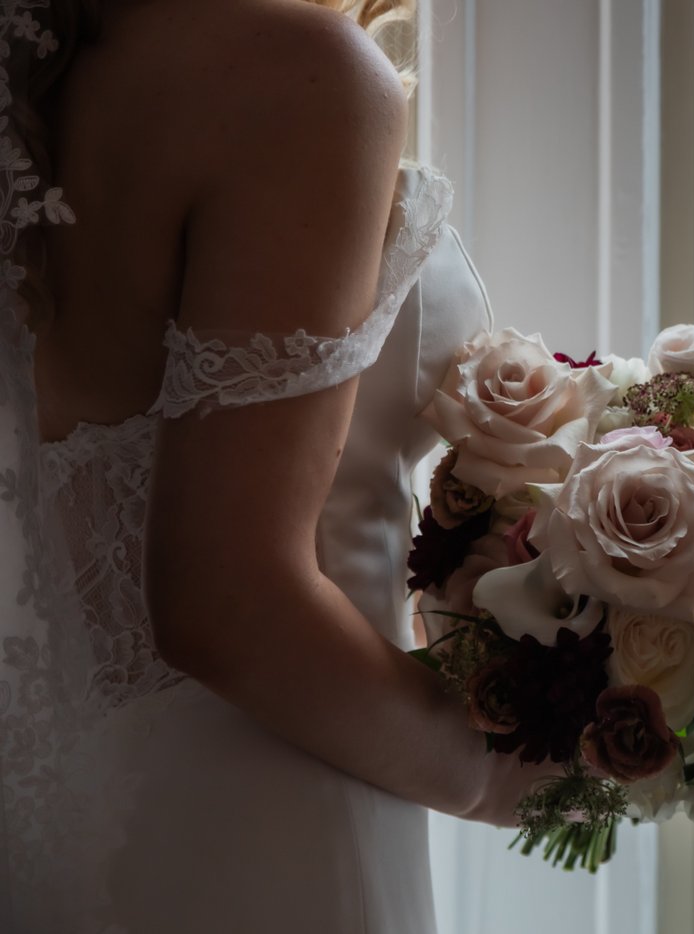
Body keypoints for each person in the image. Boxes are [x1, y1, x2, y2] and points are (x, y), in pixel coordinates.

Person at [0, 1, 549, 930]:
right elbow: (227, 604)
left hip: (65, 808)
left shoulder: (54, 64)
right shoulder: (303, 72)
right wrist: (503, 775)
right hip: (273, 810)